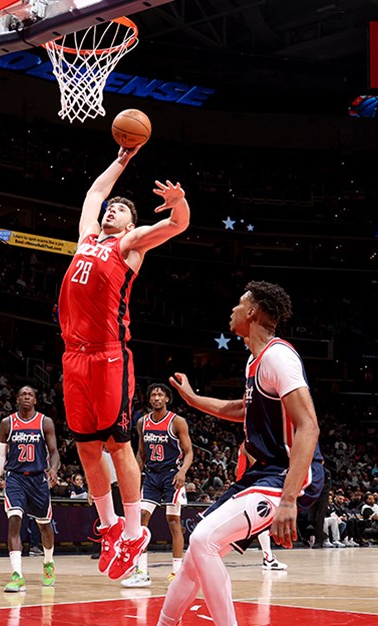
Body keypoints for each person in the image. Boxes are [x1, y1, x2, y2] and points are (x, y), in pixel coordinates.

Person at [58, 144, 191, 581]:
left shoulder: (130, 244)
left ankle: (134, 531)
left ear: (131, 223)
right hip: (73, 356)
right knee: (84, 446)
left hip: (108, 356)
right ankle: (111, 526)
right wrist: (121, 159)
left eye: (119, 209)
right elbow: (95, 192)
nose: (111, 209)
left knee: (117, 444)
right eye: (110, 208)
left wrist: (179, 203)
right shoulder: (86, 238)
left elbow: (176, 225)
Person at [157, 281, 324, 626]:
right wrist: (193, 399)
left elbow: (308, 426)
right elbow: (239, 408)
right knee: (195, 554)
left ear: (251, 312)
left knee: (203, 540)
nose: (231, 310)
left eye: (238, 304)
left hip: (289, 474)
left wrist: (289, 501)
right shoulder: (253, 361)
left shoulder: (278, 357)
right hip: (262, 474)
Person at [0, 386, 61, 592]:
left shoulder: (44, 422)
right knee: (14, 520)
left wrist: (54, 469)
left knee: (44, 525)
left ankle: (48, 563)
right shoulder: (7, 423)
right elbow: (1, 455)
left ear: (36, 400)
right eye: (23, 394)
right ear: (17, 399)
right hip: (15, 478)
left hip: (38, 479)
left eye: (30, 394)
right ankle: (17, 575)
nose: (27, 397)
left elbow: (54, 452)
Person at [122, 383, 193, 588]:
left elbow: (189, 452)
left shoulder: (177, 422)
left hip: (172, 475)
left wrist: (182, 472)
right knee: (140, 520)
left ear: (167, 399)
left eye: (160, 394)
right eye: (153, 394)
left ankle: (177, 572)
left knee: (173, 521)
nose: (156, 397)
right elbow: (141, 453)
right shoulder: (142, 423)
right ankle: (142, 572)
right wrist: (135, 475)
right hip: (152, 476)